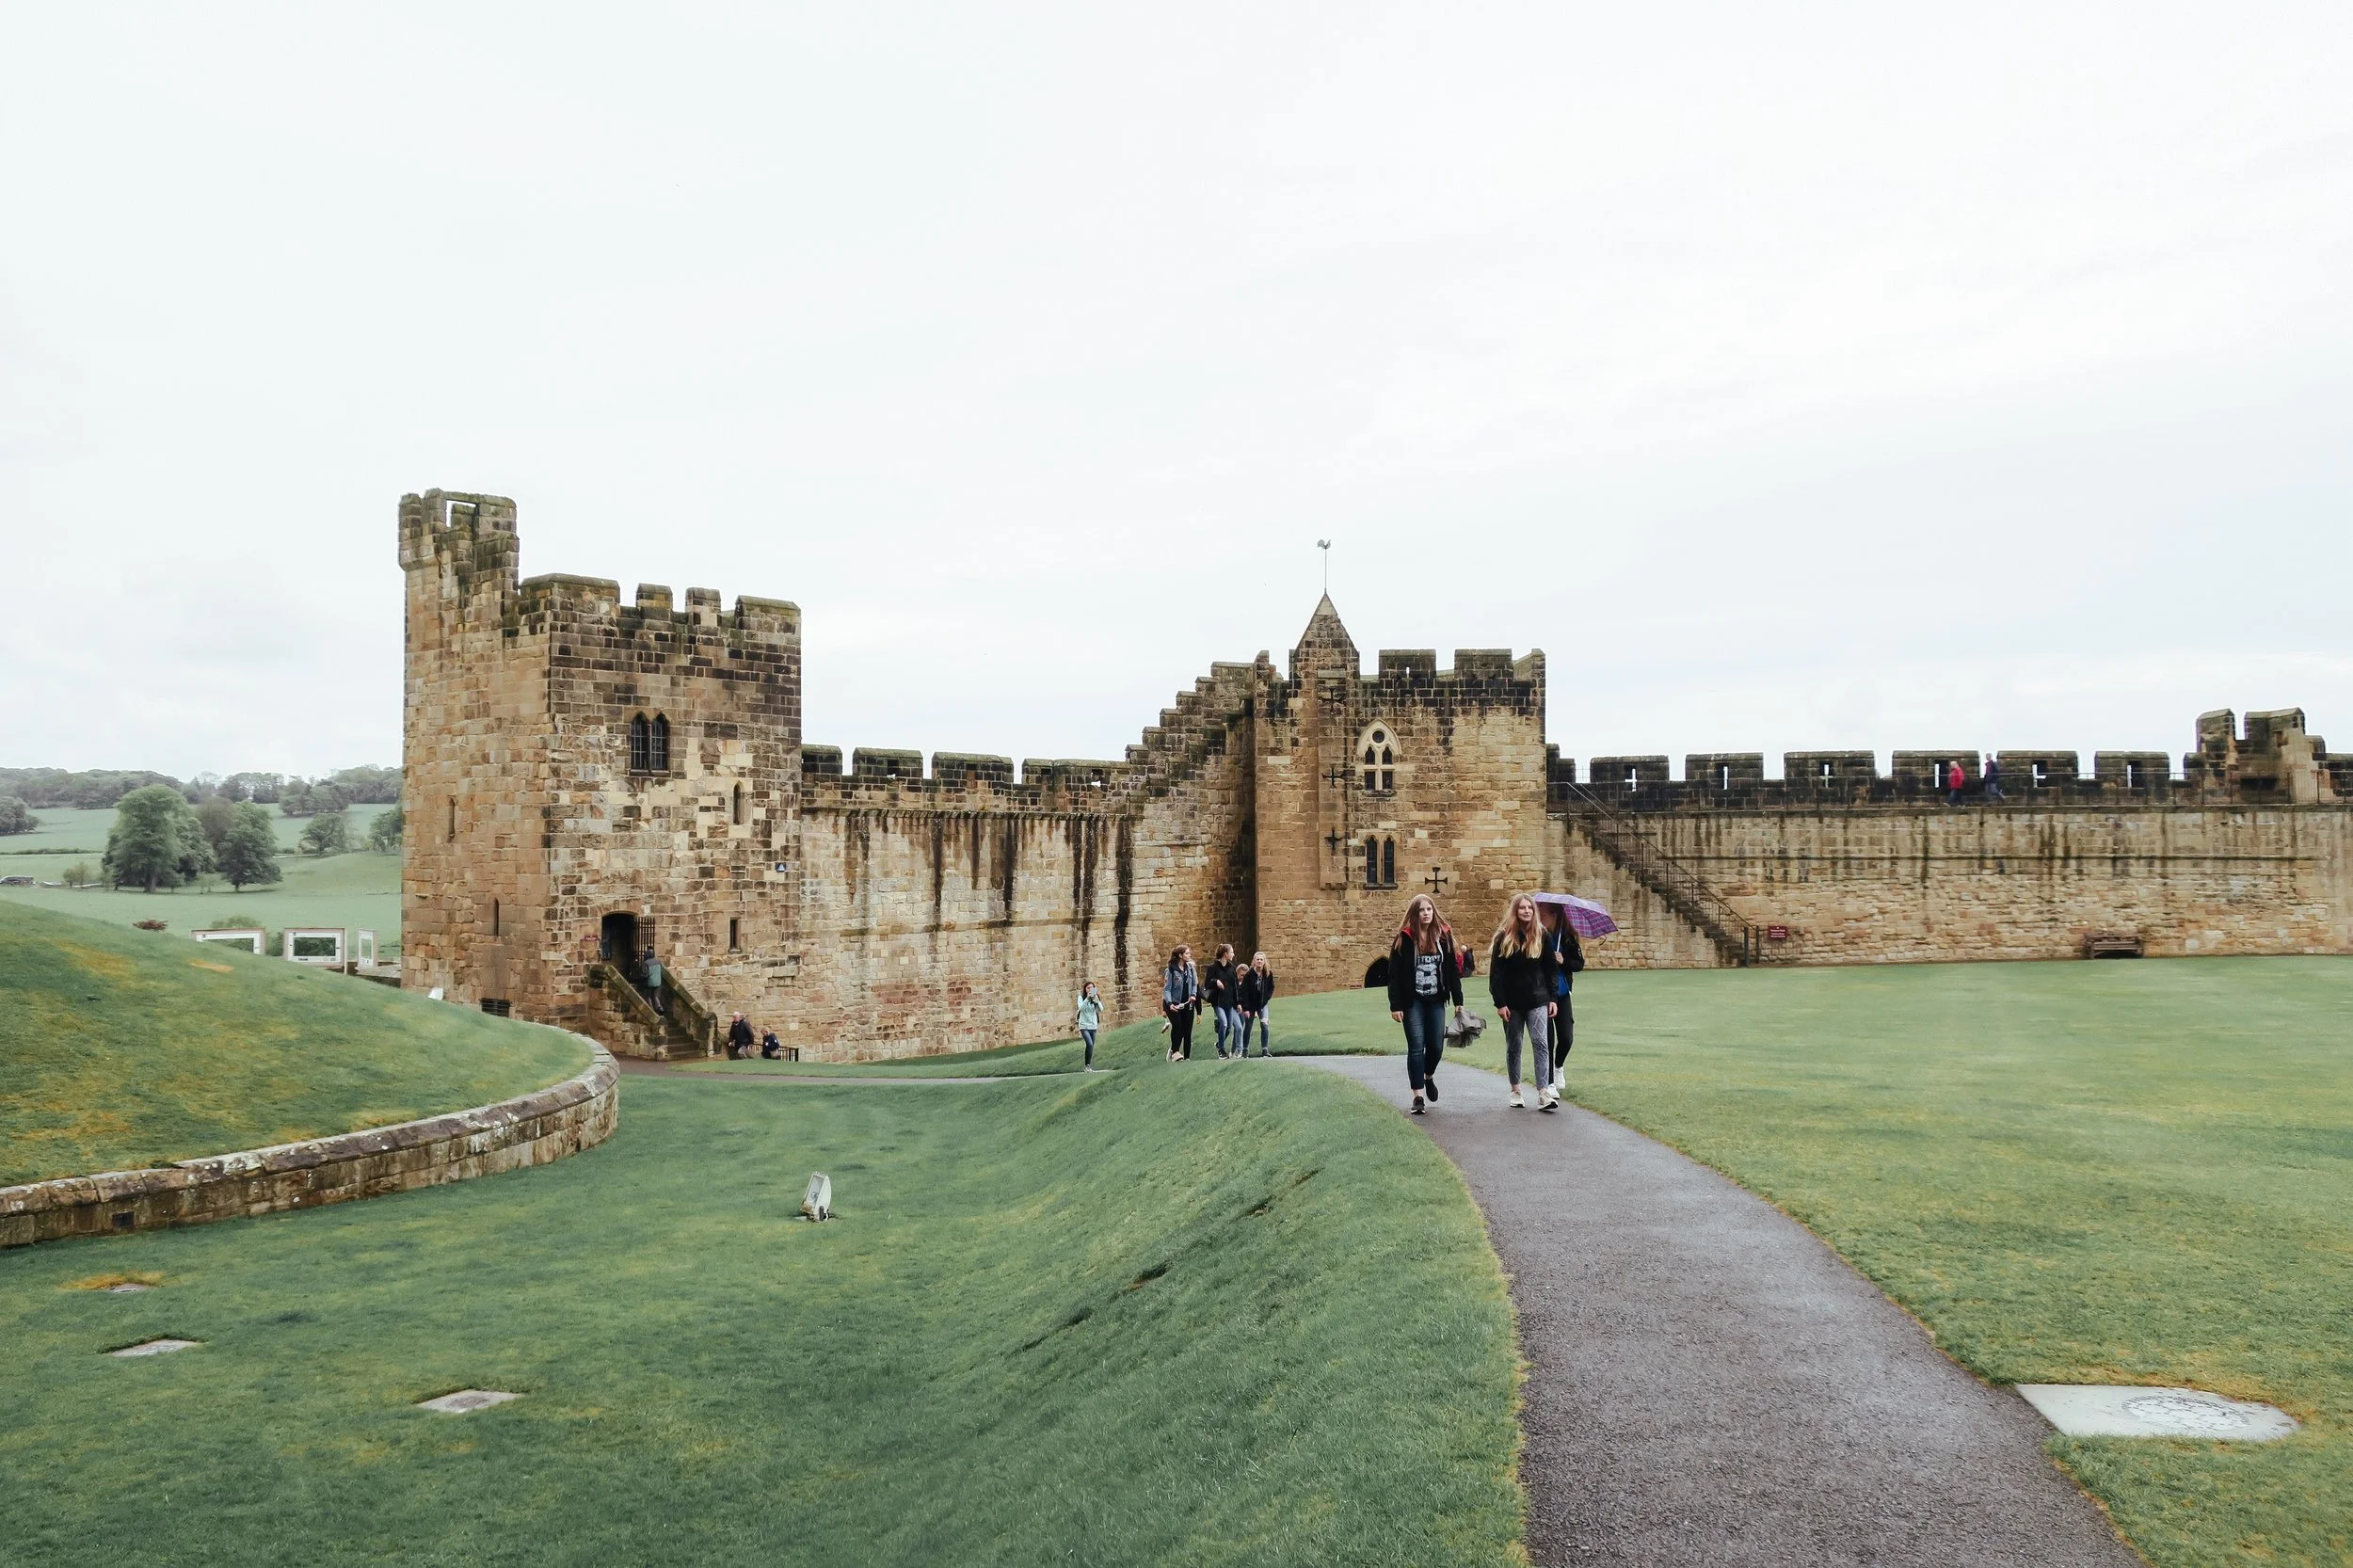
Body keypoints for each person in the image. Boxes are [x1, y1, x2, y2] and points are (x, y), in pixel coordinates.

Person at [1385, 893, 1463, 1113]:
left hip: (1436, 999)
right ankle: (1418, 1096)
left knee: (1436, 1046)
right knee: (1416, 1047)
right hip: (1413, 1002)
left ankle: (1428, 1076)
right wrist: (1395, 1005)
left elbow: (1452, 970)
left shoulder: (1443, 936)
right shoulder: (1405, 938)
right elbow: (1394, 975)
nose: (1426, 913)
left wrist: (1458, 1000)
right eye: (1422, 910)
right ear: (1415, 914)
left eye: (1429, 909)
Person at [1489, 894, 1561, 1111]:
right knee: (1514, 1045)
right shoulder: (1504, 937)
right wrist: (1500, 1003)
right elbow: (1496, 974)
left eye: (1530, 907)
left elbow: (1551, 969)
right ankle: (1516, 1090)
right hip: (1512, 1003)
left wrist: (1553, 998)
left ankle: (1543, 1092)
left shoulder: (1542, 934)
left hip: (1537, 999)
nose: (1527, 911)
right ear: (1515, 911)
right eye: (1522, 908)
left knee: (1541, 1043)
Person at [1539, 902, 1584, 1085]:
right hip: (1543, 994)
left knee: (1566, 1037)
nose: (1540, 919)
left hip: (1562, 993)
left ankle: (1558, 1066)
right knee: (1547, 1039)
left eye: (1543, 915)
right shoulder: (1537, 936)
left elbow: (1579, 964)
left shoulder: (1567, 938)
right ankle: (1549, 1081)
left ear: (1554, 916)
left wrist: (1563, 961)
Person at [1162, 946, 1200, 1062]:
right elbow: (1167, 989)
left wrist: (1193, 995)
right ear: (1180, 955)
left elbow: (1194, 984)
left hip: (1187, 1003)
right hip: (1174, 1003)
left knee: (1187, 1031)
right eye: (1187, 953)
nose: (1189, 955)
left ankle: (1187, 1057)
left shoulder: (1190, 969)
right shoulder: (1171, 970)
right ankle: (1175, 1052)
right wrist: (1169, 1003)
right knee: (1177, 1025)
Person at [1205, 944, 1242, 1058]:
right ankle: (1222, 1050)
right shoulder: (1213, 967)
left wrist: (1238, 1003)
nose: (1233, 954)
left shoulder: (1232, 968)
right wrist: (1215, 981)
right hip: (1218, 1001)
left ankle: (1218, 1044)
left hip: (1229, 1002)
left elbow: (1235, 987)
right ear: (1226, 954)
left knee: (1229, 1027)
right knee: (1224, 1024)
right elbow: (1207, 984)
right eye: (1232, 952)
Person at [1238, 952, 1276, 1057]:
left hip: (1262, 1004)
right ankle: (1245, 1049)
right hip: (1250, 1005)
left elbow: (1271, 987)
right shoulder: (1249, 974)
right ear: (1254, 961)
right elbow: (1244, 991)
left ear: (1264, 961)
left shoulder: (1268, 973)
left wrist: (1266, 998)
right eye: (1257, 959)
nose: (1259, 961)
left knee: (1265, 1025)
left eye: (1261, 959)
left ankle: (1265, 1049)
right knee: (1248, 1027)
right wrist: (1245, 1008)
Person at [1075, 981, 1103, 1069]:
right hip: (1084, 1025)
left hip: (1093, 1025)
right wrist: (1087, 999)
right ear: (1085, 989)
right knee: (1089, 1044)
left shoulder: (1095, 997)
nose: (1090, 990)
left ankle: (1088, 1065)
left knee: (1091, 1046)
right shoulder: (1081, 998)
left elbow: (1100, 1009)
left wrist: (1097, 1001)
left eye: (1092, 988)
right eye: (1088, 988)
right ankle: (1087, 1066)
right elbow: (1081, 1008)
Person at [641, 946, 666, 1015]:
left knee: (648, 996)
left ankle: (652, 1010)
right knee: (655, 996)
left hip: (649, 983)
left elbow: (645, 974)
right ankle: (659, 1007)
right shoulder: (658, 962)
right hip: (658, 982)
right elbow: (661, 971)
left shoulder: (646, 963)